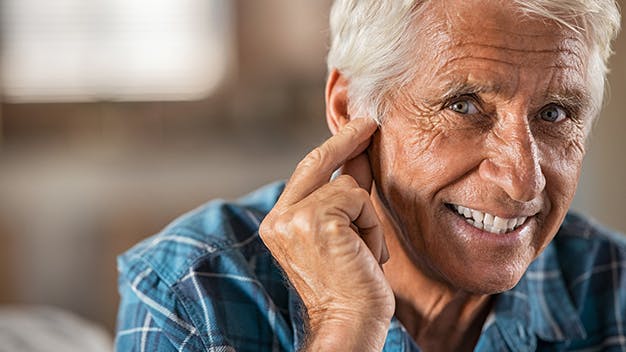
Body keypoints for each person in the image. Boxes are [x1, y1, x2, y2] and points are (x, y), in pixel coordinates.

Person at [115, 0, 625, 351]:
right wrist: (344, 325)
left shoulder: (615, 290)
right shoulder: (192, 291)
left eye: (555, 113)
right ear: (348, 108)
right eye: (464, 105)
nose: (523, 181)